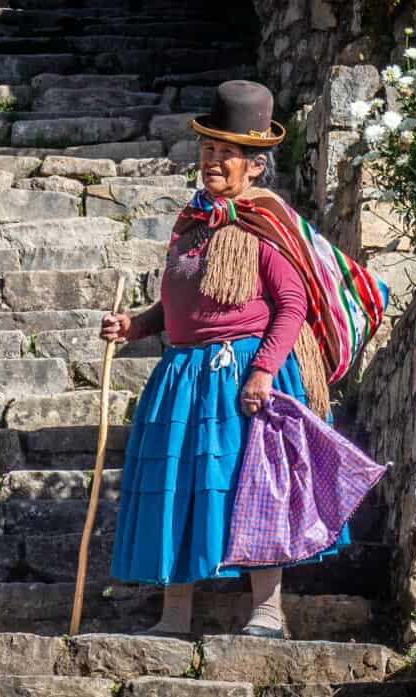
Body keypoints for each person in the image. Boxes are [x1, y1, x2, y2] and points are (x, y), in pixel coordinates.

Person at [99, 80, 351, 639]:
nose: (213, 162)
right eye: (209, 150)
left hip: (242, 375)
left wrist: (263, 370)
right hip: (184, 375)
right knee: (177, 485)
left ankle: (267, 612)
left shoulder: (265, 222)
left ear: (255, 166)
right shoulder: (191, 224)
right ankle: (174, 615)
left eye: (227, 154)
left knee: (253, 485)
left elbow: (292, 304)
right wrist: (136, 326)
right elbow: (178, 303)